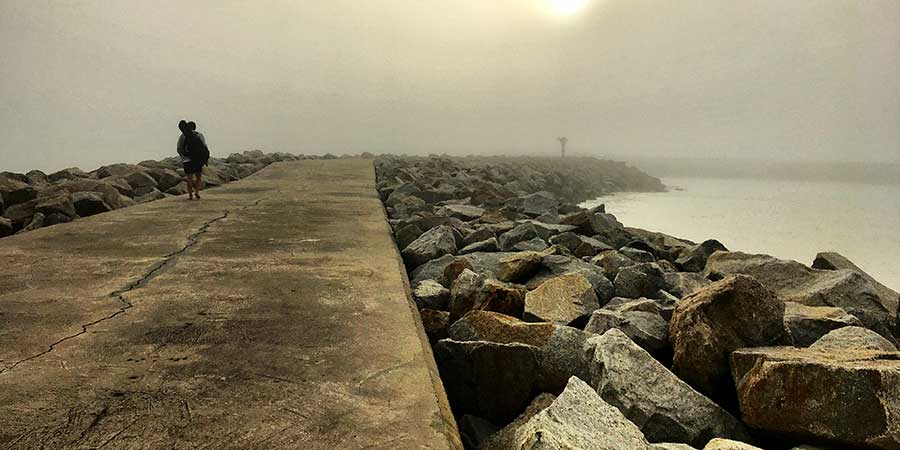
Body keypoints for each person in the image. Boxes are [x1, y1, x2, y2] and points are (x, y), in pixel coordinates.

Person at [176, 120, 209, 200]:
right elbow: (204, 147)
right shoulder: (199, 135)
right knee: (198, 177)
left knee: (189, 177)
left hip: (187, 160)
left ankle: (190, 195)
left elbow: (179, 148)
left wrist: (183, 156)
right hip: (197, 159)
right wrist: (205, 158)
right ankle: (197, 192)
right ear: (195, 127)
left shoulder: (182, 136)